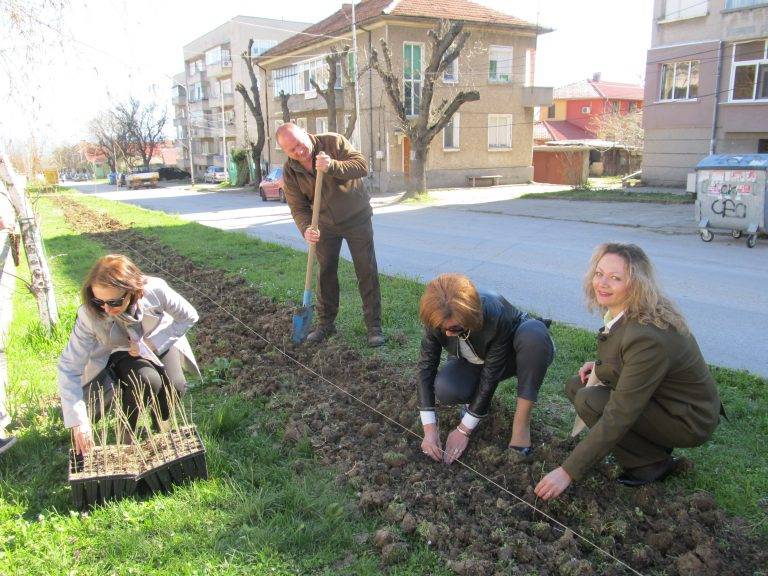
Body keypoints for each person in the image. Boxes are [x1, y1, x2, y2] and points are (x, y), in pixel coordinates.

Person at [535, 243, 722, 501]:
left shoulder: (647, 336)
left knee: (589, 400)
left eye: (615, 278)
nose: (602, 283)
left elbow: (620, 413)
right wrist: (602, 368)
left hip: (688, 419)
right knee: (576, 386)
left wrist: (568, 471)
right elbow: (631, 360)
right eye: (599, 274)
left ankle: (651, 463)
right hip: (664, 401)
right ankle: (650, 446)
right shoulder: (632, 309)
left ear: (636, 284)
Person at [58, 254, 200, 455]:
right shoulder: (89, 315)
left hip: (158, 338)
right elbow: (69, 367)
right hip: (121, 348)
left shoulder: (155, 290)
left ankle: (160, 425)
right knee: (147, 380)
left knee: (176, 386)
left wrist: (153, 343)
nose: (106, 309)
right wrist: (78, 421)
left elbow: (189, 316)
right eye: (99, 301)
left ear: (133, 291)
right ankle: (126, 434)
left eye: (114, 302)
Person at [417, 274, 555, 464]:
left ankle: (521, 424)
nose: (448, 333)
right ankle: (476, 407)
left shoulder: (494, 313)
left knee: (534, 335)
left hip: (514, 355)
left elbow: (491, 375)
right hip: (476, 358)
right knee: (446, 387)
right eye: (443, 328)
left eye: (455, 328)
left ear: (470, 316)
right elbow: (426, 366)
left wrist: (463, 430)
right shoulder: (437, 315)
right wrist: (430, 430)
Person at [275, 122, 384, 347]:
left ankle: (374, 327)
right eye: (291, 149)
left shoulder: (333, 142)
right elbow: (298, 207)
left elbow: (361, 166)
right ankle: (326, 324)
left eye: (299, 143)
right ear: (285, 152)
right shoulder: (290, 171)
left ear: (305, 133)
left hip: (356, 217)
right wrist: (307, 228)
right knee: (325, 274)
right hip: (323, 225)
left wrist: (332, 165)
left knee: (366, 269)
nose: (298, 151)